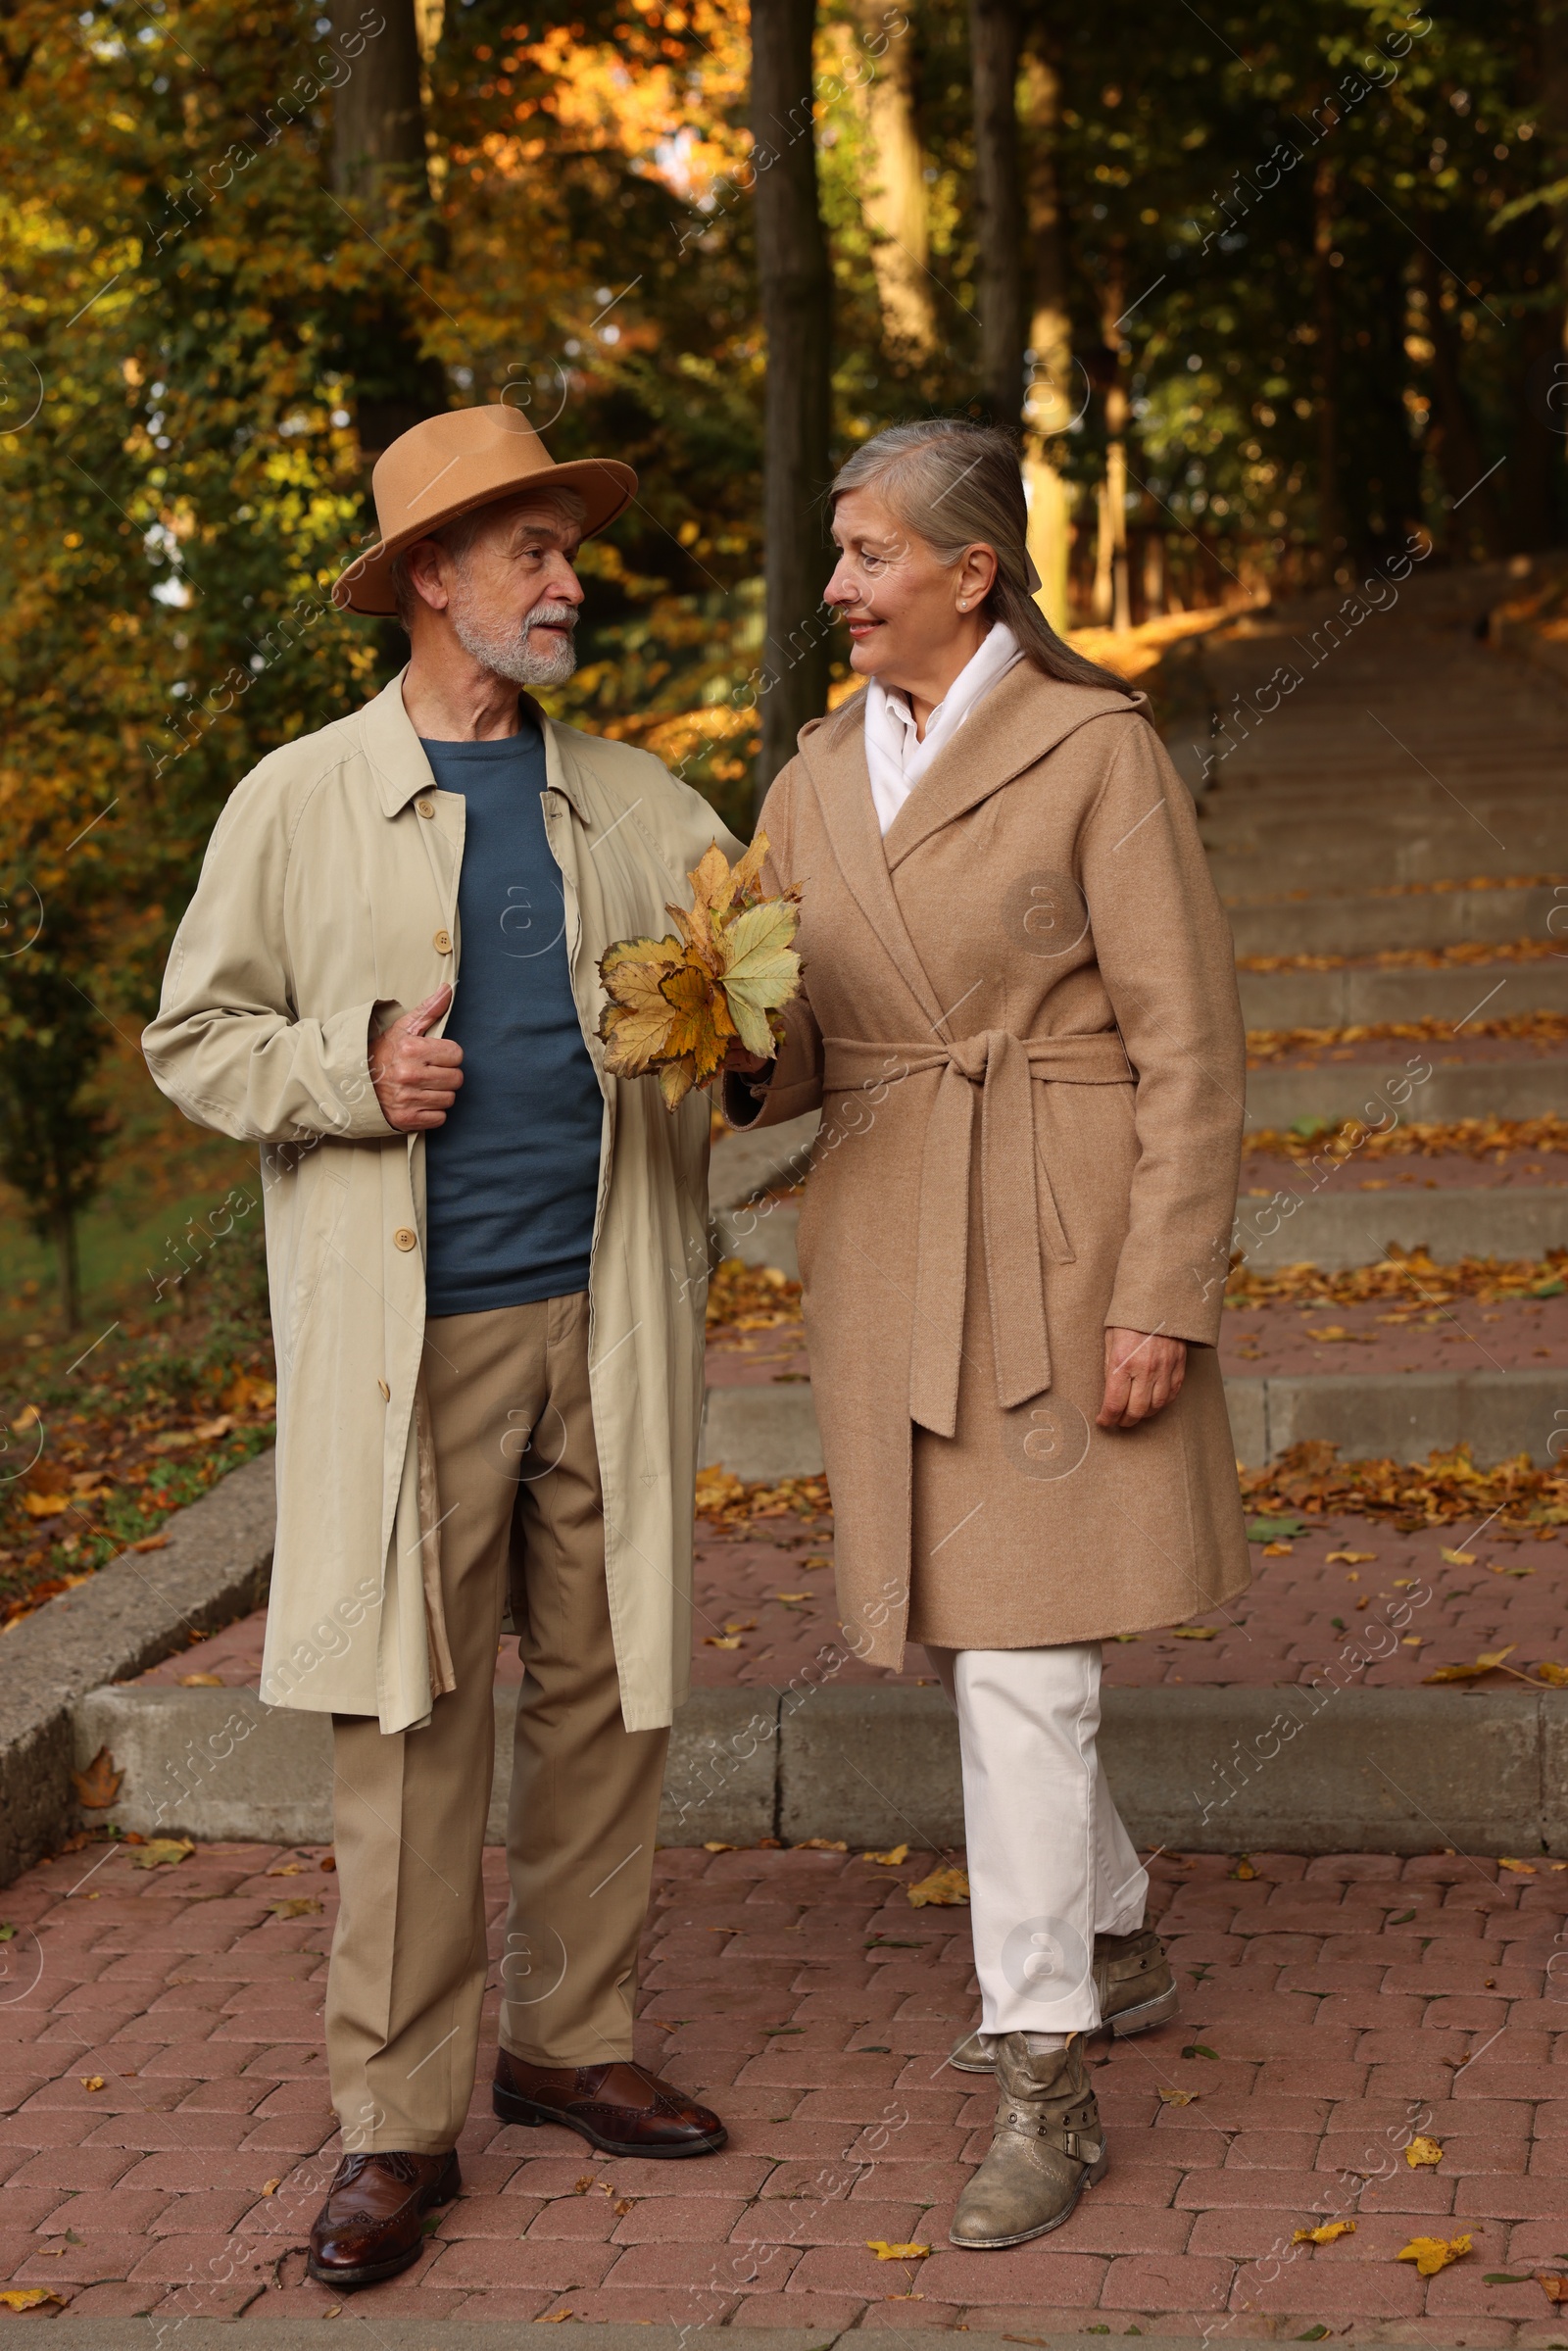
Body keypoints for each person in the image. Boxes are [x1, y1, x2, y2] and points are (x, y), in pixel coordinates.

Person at [144, 404, 750, 2291]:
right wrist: (349, 1072)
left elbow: (770, 1013)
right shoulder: (294, 798)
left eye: (570, 551)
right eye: (531, 554)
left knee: (604, 1695)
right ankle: (395, 2126)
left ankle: (571, 2043)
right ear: (431, 577)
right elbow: (195, 1038)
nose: (568, 583)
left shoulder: (649, 804)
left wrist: (747, 1042)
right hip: (413, 1344)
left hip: (617, 1314)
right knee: (406, 1730)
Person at [724, 418, 1250, 2251]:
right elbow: (788, 1043)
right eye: (837, 551)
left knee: (1026, 1660)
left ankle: (1048, 2070)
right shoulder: (806, 776)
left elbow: (1190, 1038)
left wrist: (1160, 1291)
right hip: (887, 1239)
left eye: (869, 556)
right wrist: (714, 1032)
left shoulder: (1094, 748)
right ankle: (1112, 1926)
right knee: (976, 1642)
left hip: (1054, 1230)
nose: (838, 587)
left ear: (971, 575)